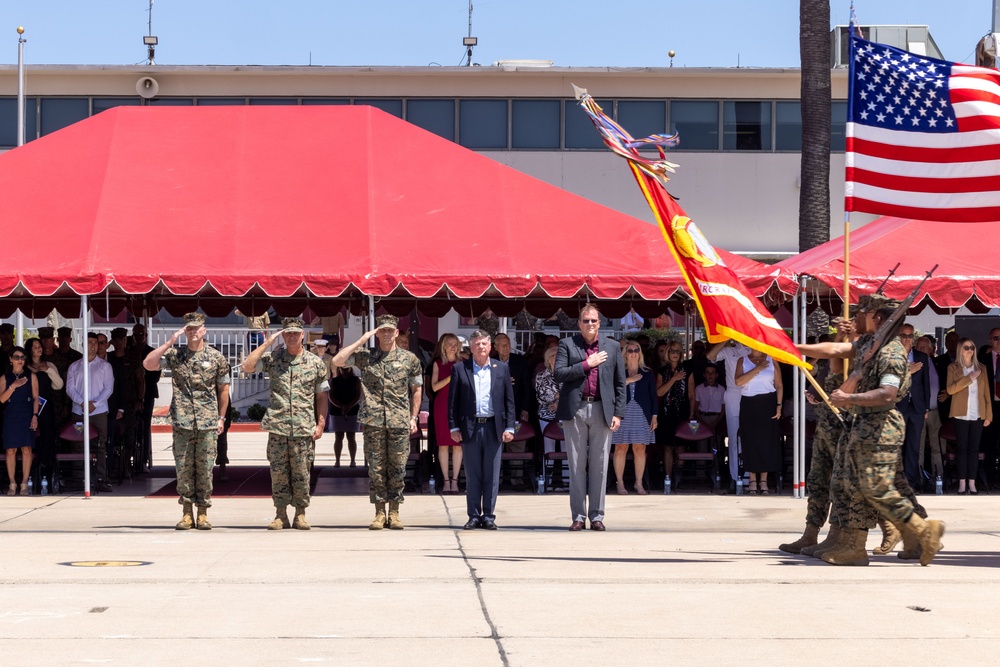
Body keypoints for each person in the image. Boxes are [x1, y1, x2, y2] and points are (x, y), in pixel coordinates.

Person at [333, 314, 423, 531]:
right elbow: (337, 361)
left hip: (399, 421)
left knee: (397, 468)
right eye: (381, 330)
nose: (386, 334)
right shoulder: (366, 357)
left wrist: (413, 417)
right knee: (376, 469)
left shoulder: (409, 359)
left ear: (396, 333)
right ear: (377, 332)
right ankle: (379, 513)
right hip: (373, 422)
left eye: (389, 330)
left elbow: (417, 389)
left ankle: (394, 512)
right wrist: (362, 339)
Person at [143, 313, 230, 530]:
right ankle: (186, 513)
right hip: (182, 421)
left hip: (207, 422)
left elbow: (223, 389)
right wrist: (169, 342)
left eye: (196, 328)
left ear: (204, 330)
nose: (192, 332)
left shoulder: (216, 357)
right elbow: (148, 364)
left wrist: (221, 417)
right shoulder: (176, 355)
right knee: (183, 468)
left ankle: (202, 513)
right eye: (189, 329)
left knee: (205, 468)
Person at [242, 318, 329, 530]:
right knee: (279, 472)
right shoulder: (273, 359)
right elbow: (247, 366)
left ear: (302, 336)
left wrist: (321, 423)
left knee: (302, 472)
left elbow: (321, 396)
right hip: (278, 426)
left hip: (303, 427)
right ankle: (280, 514)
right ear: (283, 336)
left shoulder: (315, 363)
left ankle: (300, 514)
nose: (291, 336)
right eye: (287, 333)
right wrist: (265, 344)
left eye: (295, 333)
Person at [553, 304, 625, 531]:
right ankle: (577, 516)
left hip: (602, 410)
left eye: (594, 320)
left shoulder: (612, 347)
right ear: (579, 323)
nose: (590, 324)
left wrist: (618, 413)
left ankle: (597, 516)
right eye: (586, 321)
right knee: (576, 465)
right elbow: (559, 374)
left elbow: (620, 383)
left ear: (600, 323)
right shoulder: (567, 344)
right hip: (575, 410)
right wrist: (586, 364)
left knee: (600, 465)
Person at [448, 330, 515, 529]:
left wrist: (510, 427)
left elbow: (509, 401)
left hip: (494, 427)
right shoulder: (461, 369)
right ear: (471, 347)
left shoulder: (501, 369)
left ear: (490, 346)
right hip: (471, 427)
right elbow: (453, 402)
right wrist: (454, 426)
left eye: (484, 344)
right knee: (473, 474)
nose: (481, 347)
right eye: (477, 344)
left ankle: (489, 516)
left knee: (492, 474)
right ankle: (474, 515)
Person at [66, 333, 115, 493]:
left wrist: (95, 403)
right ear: (83, 344)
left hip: (98, 412)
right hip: (79, 412)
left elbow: (108, 388)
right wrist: (82, 402)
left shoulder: (104, 366)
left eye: (95, 343)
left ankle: (100, 478)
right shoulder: (74, 366)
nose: (93, 345)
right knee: (78, 443)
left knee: (100, 444)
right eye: (89, 342)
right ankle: (79, 477)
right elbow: (70, 389)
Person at [947, 337, 992, 495]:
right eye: (966, 347)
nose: (970, 350)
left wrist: (989, 415)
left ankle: (972, 483)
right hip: (960, 414)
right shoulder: (953, 368)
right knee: (962, 449)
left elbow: (987, 394)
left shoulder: (982, 368)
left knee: (974, 449)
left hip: (977, 414)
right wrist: (969, 378)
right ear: (960, 349)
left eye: (972, 347)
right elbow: (951, 390)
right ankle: (962, 483)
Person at [734, 349, 783, 495]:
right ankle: (752, 480)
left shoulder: (772, 359)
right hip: (749, 402)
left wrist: (779, 406)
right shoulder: (742, 360)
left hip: (768, 402)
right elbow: (738, 381)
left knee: (766, 442)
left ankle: (764, 480)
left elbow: (779, 385)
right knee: (750, 441)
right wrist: (757, 369)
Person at [612, 341, 657, 495]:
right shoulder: (619, 370)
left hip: (641, 413)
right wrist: (628, 381)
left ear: (640, 353)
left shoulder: (647, 372)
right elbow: (610, 390)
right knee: (620, 447)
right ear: (625, 353)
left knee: (640, 448)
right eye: (630, 350)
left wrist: (654, 416)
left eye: (636, 350)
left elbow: (653, 396)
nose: (633, 353)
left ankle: (638, 483)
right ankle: (620, 483)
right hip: (621, 413)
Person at [707, 339, 749, 492]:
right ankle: (734, 476)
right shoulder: (729, 350)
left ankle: (749, 478)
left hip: (751, 393)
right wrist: (725, 338)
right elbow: (710, 356)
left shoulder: (754, 350)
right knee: (733, 438)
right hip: (733, 393)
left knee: (750, 437)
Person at [25, 336, 63, 492]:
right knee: (30, 439)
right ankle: (29, 473)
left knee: (47, 438)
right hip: (28, 408)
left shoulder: (49, 365)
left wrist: (46, 370)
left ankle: (46, 471)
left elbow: (59, 385)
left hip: (46, 409)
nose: (38, 348)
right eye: (35, 346)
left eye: (39, 346)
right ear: (29, 350)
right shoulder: (24, 366)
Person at [896, 323, 930, 492]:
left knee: (914, 446)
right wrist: (906, 371)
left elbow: (926, 384)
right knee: (898, 445)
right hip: (898, 405)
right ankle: (898, 484)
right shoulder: (892, 356)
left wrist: (926, 408)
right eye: (903, 335)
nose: (907, 339)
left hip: (917, 407)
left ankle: (911, 483)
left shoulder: (921, 357)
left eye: (910, 336)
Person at [1, 347, 39, 495]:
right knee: (10, 450)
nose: (20, 360)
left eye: (23, 357)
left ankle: (24, 483)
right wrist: (13, 386)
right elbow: (2, 399)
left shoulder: (31, 376)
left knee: (27, 449)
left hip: (27, 414)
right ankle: (12, 483)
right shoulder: (4, 378)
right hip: (11, 416)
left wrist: (35, 415)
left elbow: (36, 397)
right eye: (16, 357)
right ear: (10, 359)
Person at [107, 327, 143, 479]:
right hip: (110, 402)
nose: (119, 342)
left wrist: (140, 400)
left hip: (130, 402)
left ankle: (127, 465)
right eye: (115, 339)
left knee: (129, 435)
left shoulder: (133, 357)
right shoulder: (108, 358)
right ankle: (112, 465)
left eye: (121, 339)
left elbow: (141, 380)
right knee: (110, 436)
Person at [655, 342, 690, 487]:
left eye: (677, 351)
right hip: (666, 411)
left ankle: (679, 478)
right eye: (672, 351)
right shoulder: (662, 371)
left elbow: (692, 394)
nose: (675, 354)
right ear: (668, 354)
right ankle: (668, 478)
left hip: (682, 411)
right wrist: (673, 379)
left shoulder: (687, 370)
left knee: (680, 446)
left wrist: (692, 414)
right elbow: (659, 392)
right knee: (668, 447)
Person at [431, 333, 462, 493]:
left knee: (458, 445)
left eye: (455, 343)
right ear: (443, 346)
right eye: (450, 343)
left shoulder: (462, 363)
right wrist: (451, 377)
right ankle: (446, 480)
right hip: (442, 406)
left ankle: (455, 480)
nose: (453, 346)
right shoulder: (437, 363)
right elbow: (434, 387)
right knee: (443, 445)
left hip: (458, 407)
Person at [917, 335, 948, 484]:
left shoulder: (938, 363)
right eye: (919, 347)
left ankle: (939, 478)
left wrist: (947, 393)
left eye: (924, 347)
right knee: (918, 447)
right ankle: (919, 479)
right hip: (919, 412)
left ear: (931, 349)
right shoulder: (912, 364)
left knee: (938, 447)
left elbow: (946, 382)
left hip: (936, 412)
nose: (922, 349)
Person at [130, 323, 160, 474]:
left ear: (146, 335)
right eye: (136, 335)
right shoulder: (129, 351)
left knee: (145, 427)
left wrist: (142, 376)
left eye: (141, 334)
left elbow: (155, 376)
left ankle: (143, 461)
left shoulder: (152, 352)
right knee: (131, 427)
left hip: (147, 395)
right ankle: (129, 459)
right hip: (130, 395)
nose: (138, 338)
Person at [328, 344, 361, 468]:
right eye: (343, 368)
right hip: (337, 410)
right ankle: (337, 461)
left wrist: (349, 406)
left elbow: (358, 395)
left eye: (347, 368)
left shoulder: (356, 380)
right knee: (339, 437)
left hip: (352, 410)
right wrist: (341, 406)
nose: (345, 370)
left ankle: (352, 461)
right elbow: (330, 396)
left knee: (351, 437)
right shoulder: (334, 381)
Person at [534, 346, 563, 484]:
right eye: (552, 355)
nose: (555, 358)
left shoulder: (568, 373)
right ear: (546, 360)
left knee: (566, 448)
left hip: (565, 414)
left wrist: (559, 402)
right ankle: (548, 479)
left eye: (558, 355)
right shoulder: (541, 376)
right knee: (549, 447)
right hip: (546, 414)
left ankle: (567, 480)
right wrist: (555, 398)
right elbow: (540, 396)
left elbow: (573, 393)